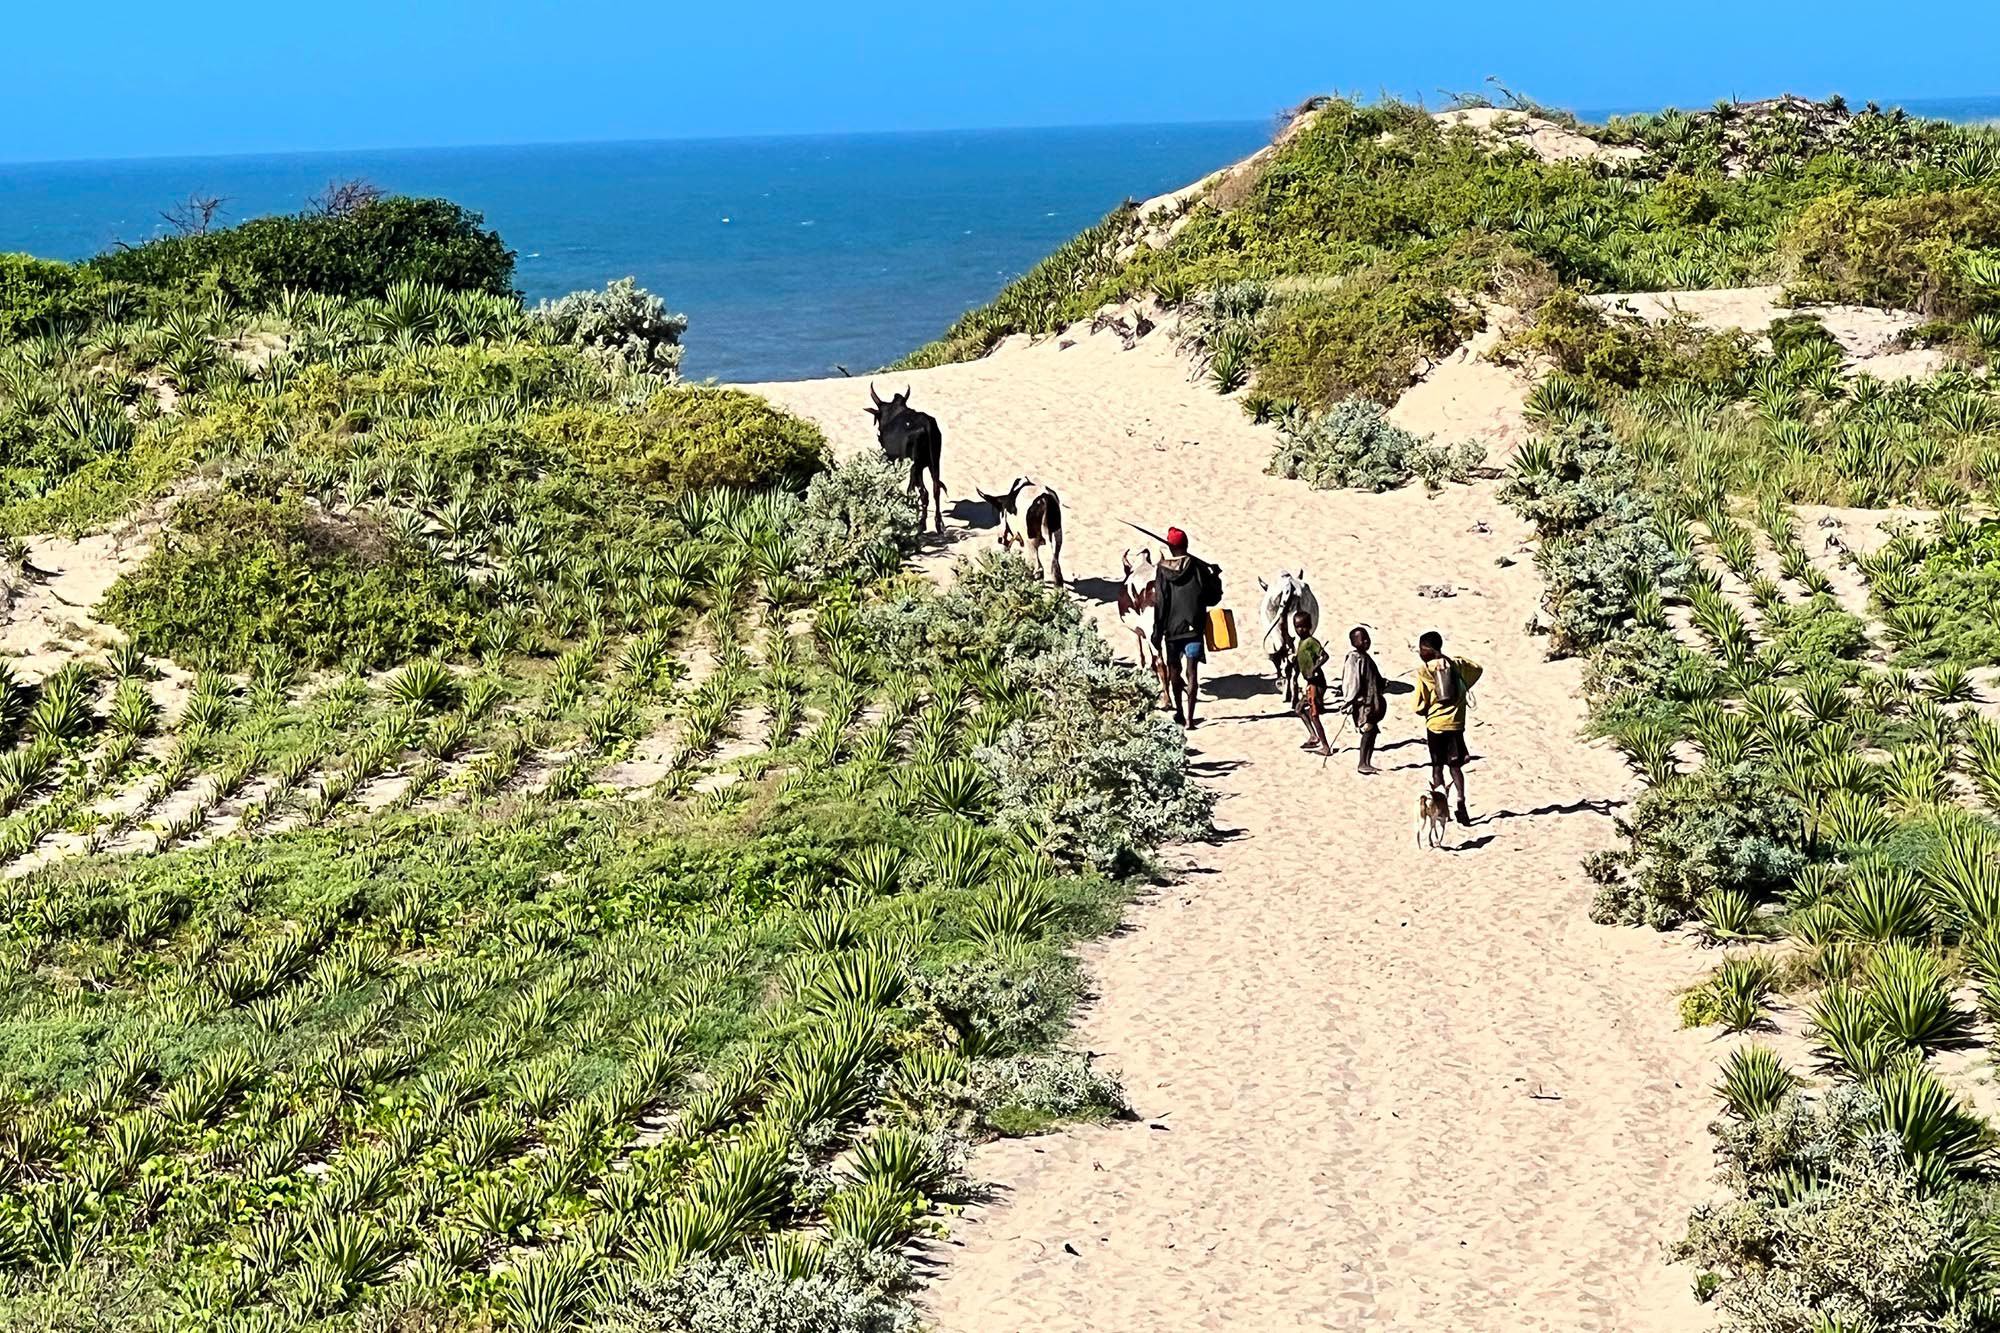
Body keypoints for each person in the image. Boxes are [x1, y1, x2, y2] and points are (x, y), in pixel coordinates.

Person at [1151, 526, 1215, 728]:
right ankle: (1189, 718)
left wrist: (1157, 630)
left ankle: (1179, 710)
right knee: (1192, 672)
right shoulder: (1198, 567)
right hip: (1195, 628)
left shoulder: (1162, 570)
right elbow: (1213, 597)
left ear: (1170, 548)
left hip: (1172, 631)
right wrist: (1215, 576)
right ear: (1186, 545)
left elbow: (1161, 602)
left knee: (1174, 672)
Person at [1414, 630, 1474, 824]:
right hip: (1456, 723)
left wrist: (1425, 709)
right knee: (1455, 767)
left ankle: (1442, 808)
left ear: (1427, 650)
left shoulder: (1424, 671)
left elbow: (1418, 706)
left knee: (1437, 767)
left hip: (1436, 725)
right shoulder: (1456, 664)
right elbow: (1477, 669)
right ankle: (1461, 802)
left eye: (1420, 649)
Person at [1341, 626, 1386, 774]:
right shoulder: (1355, 659)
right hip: (1363, 703)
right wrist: (1351, 699)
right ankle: (1362, 762)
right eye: (1362, 639)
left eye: (1367, 638)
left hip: (1372, 702)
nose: (1366, 641)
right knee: (1367, 730)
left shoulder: (1366, 658)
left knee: (1372, 732)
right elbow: (1351, 681)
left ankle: (1367, 761)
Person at [1292, 610, 1332, 756]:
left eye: (1303, 627)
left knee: (1314, 714)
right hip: (1309, 683)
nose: (1300, 630)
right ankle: (1313, 736)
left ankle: (1326, 746)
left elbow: (1325, 656)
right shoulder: (1301, 643)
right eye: (1297, 627)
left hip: (1316, 682)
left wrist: (1315, 667)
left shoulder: (1311, 642)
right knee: (1299, 709)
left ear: (1309, 626)